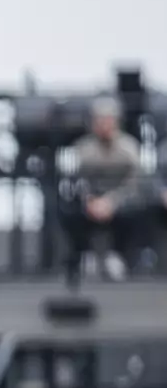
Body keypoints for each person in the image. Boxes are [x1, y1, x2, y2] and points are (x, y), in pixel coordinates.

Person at [59, 96, 149, 285]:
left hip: (119, 199)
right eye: (99, 120)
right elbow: (75, 180)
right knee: (68, 210)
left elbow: (135, 182)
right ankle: (84, 253)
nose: (103, 124)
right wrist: (90, 200)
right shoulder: (82, 148)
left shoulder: (129, 148)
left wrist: (112, 201)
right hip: (91, 199)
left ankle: (120, 256)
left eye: (108, 120)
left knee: (139, 209)